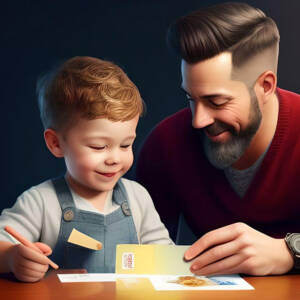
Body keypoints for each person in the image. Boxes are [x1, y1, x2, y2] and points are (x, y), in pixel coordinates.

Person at [136, 2, 300, 276]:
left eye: (217, 101)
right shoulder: (165, 146)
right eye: (191, 99)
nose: (198, 120)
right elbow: (135, 251)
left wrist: (289, 251)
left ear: (265, 86)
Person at [0, 56, 172, 282]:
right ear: (56, 143)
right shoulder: (40, 202)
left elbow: (165, 258)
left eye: (125, 145)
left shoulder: (137, 198)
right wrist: (12, 257)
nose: (114, 158)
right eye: (99, 146)